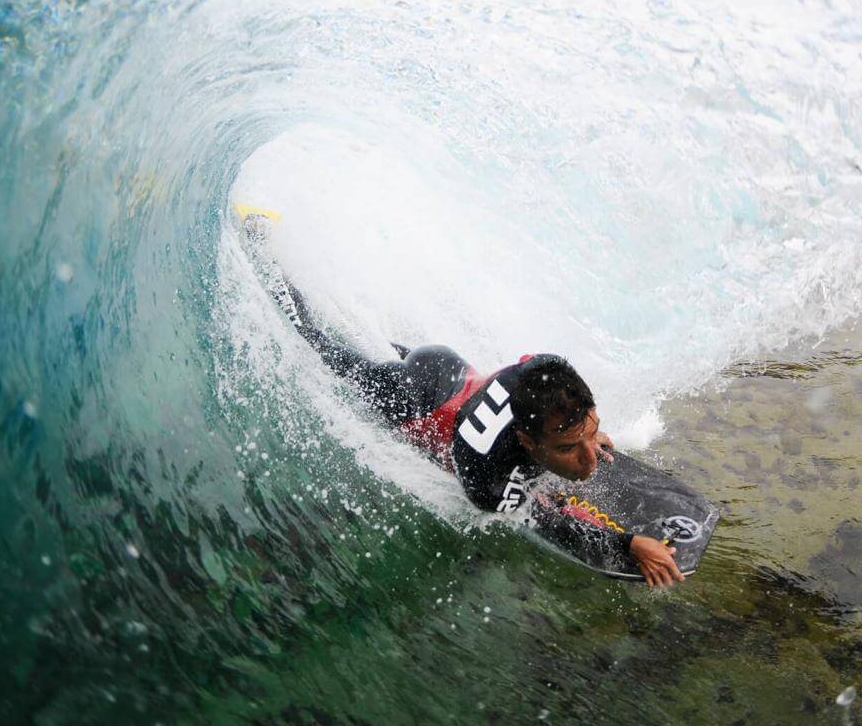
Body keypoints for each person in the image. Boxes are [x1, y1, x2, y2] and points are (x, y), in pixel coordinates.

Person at [243, 216, 685, 587]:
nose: (589, 462)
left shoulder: (549, 375)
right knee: (328, 349)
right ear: (528, 444)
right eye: (569, 449)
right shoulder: (489, 478)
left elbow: (535, 366)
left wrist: (581, 429)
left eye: (589, 434)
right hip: (413, 397)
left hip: (446, 366)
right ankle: (265, 257)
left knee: (379, 349)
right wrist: (628, 544)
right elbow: (549, 521)